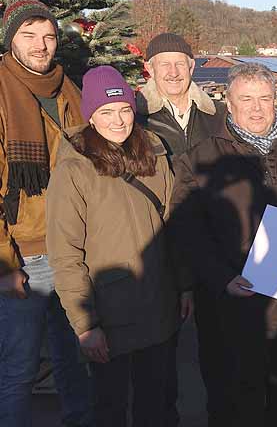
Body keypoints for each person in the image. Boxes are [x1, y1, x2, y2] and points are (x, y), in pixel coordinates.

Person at [169, 62, 277, 427]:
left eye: (264, 98)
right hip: (234, 302)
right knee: (235, 397)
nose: (256, 108)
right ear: (228, 103)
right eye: (246, 99)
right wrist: (220, 277)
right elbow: (186, 230)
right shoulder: (201, 158)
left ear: (275, 101)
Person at [46, 66, 180, 427]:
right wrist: (85, 324)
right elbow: (65, 254)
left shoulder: (154, 153)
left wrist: (184, 288)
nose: (118, 120)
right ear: (90, 116)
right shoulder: (74, 169)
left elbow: (173, 228)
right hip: (109, 314)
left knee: (159, 406)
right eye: (106, 112)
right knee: (110, 408)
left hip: (158, 306)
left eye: (123, 109)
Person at [0, 0, 93, 427]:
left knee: (73, 359)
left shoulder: (67, 89)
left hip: (72, 246)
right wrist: (4, 262)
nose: (41, 45)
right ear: (9, 40)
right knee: (18, 370)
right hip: (25, 253)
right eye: (28, 35)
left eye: (48, 36)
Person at [136, 31, 224, 426]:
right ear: (149, 69)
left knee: (220, 351)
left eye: (180, 63)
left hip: (214, 244)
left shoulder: (217, 116)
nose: (172, 72)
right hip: (161, 243)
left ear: (193, 67)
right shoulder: (135, 118)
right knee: (160, 358)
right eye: (163, 64)